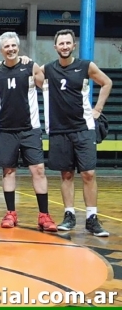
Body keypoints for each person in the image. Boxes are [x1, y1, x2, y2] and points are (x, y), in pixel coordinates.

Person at [42, 29, 112, 237]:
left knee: (89, 173)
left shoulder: (85, 66)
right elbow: (30, 72)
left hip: (83, 128)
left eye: (68, 43)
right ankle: (69, 215)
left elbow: (106, 82)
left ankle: (91, 218)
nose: (64, 46)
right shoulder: (48, 69)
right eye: (60, 43)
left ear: (73, 46)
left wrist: (98, 109)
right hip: (59, 129)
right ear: (55, 47)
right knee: (66, 174)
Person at [0, 32, 57, 232]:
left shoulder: (30, 66)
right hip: (5, 130)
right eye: (6, 46)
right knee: (8, 171)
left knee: (38, 170)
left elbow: (45, 84)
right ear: (1, 50)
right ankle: (11, 213)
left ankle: (44, 215)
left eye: (13, 46)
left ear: (18, 47)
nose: (10, 49)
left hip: (30, 129)